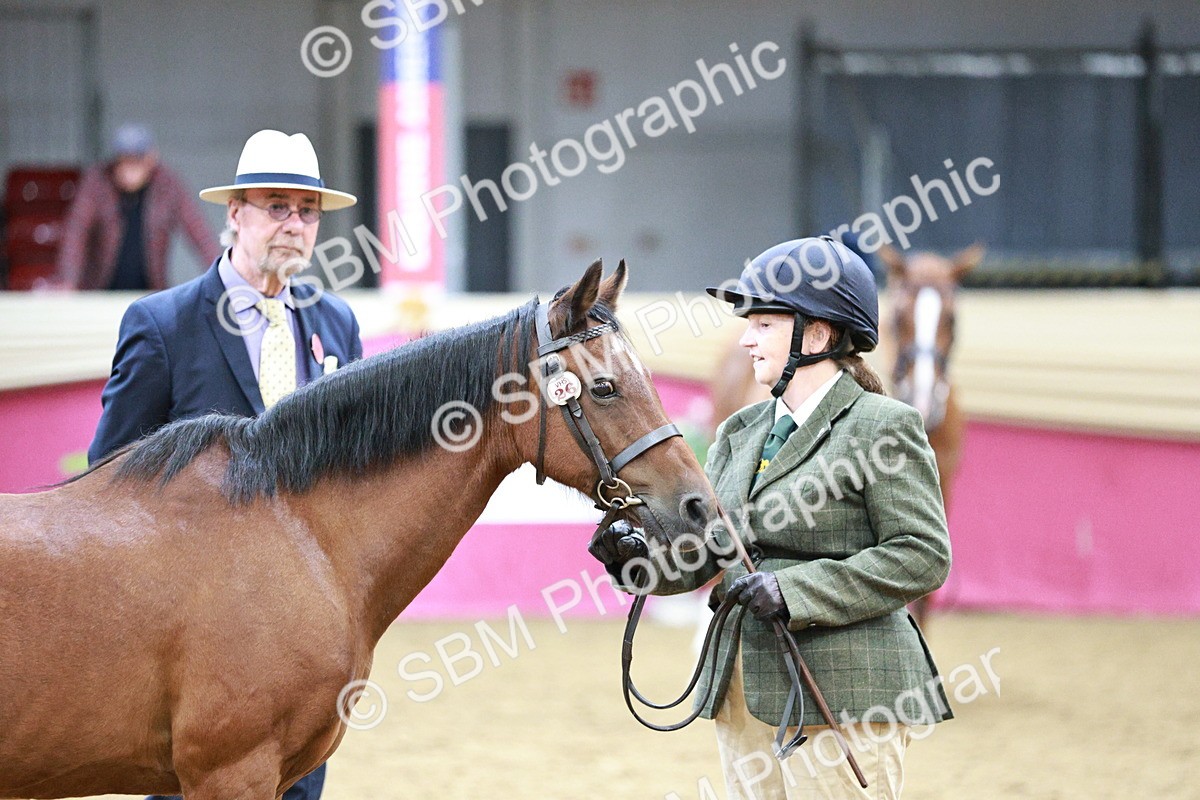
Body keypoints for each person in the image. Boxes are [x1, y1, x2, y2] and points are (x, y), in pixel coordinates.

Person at [590, 237, 953, 799]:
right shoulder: (740, 430)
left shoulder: (883, 426)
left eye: (763, 324)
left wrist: (794, 591)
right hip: (742, 690)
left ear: (818, 335)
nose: (746, 339)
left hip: (841, 692)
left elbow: (922, 555)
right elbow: (713, 553)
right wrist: (638, 562)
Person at [88, 129, 363, 800]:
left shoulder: (337, 324)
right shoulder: (163, 323)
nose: (294, 224)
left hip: (303, 635)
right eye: (277, 206)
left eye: (307, 211)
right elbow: (109, 472)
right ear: (235, 213)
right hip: (192, 635)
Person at [57, 123, 221, 290]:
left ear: (151, 158)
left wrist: (221, 277)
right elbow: (76, 230)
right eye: (124, 161)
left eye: (136, 161)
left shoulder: (167, 184)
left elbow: (199, 231)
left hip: (150, 293)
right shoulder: (97, 181)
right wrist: (68, 280)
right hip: (101, 291)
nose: (129, 170)